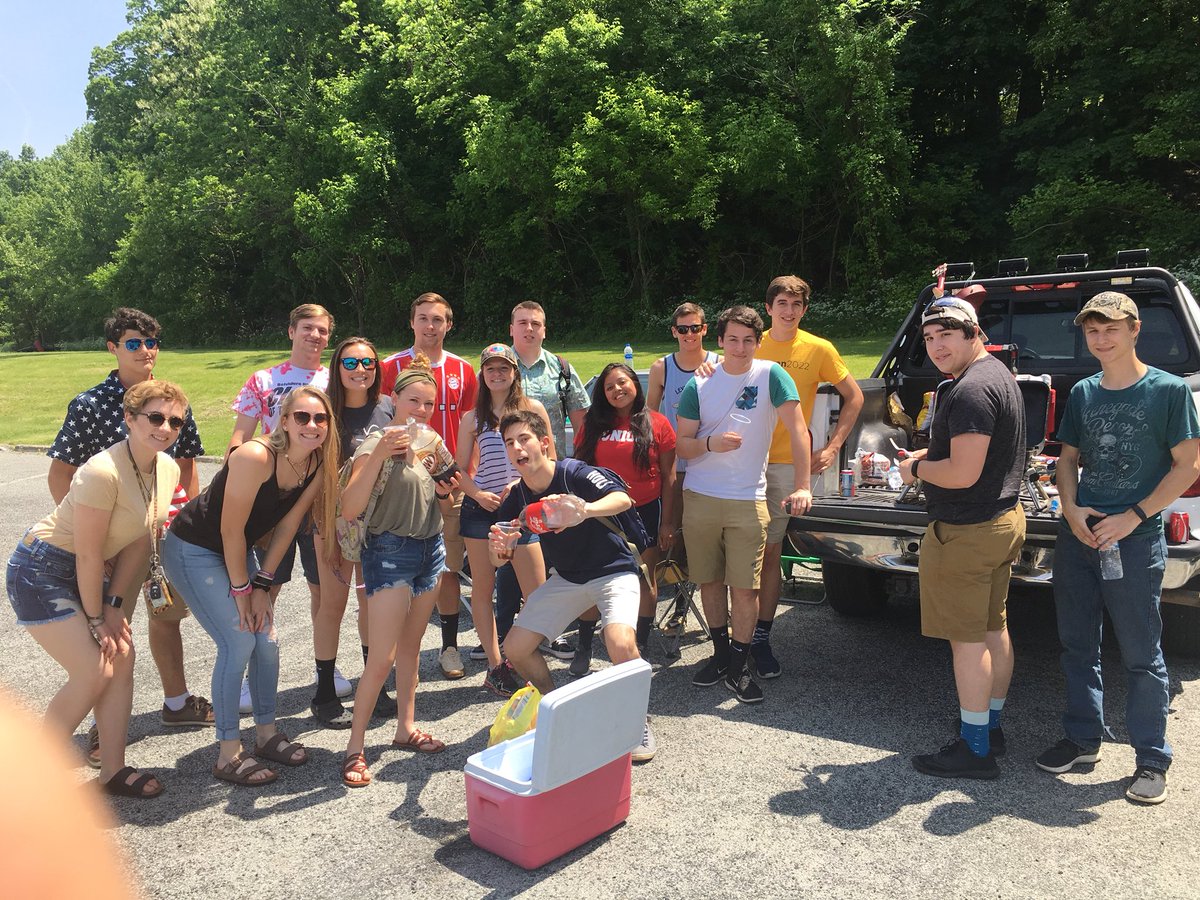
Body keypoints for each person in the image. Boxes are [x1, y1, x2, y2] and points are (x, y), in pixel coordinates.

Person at [1036, 291, 1200, 804]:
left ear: (1134, 329)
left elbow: (1188, 466)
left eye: (1110, 328)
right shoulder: (1084, 391)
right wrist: (1070, 508)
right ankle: (1083, 739)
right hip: (1081, 535)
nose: (1100, 338)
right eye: (1091, 330)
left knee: (1139, 653)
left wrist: (1133, 517)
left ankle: (1152, 759)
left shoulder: (1169, 391)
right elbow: (1067, 460)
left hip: (1133, 540)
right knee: (1077, 644)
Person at [9, 379, 192, 798]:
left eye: (175, 421)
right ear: (129, 418)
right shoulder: (101, 471)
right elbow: (88, 555)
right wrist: (96, 617)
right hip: (43, 569)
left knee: (121, 656)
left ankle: (112, 770)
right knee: (94, 668)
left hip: (93, 574)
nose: (165, 428)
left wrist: (113, 608)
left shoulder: (165, 468)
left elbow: (143, 538)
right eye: (155, 417)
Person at [45, 308, 211, 766]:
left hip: (158, 531)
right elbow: (62, 474)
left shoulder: (172, 401)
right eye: (134, 342)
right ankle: (105, 728)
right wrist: (93, 545)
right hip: (108, 541)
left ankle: (176, 704)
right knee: (113, 633)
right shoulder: (91, 405)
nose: (146, 350)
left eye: (152, 341)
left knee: (167, 615)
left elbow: (189, 465)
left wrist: (182, 524)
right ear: (113, 348)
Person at [164, 386, 337, 786]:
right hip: (194, 548)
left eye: (320, 419)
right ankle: (228, 753)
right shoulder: (255, 456)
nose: (312, 425)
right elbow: (229, 529)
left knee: (267, 638)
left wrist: (262, 585)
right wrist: (243, 591)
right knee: (239, 639)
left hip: (237, 551)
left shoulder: (317, 463)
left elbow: (288, 527)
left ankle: (265, 734)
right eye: (302, 417)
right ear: (284, 421)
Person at [898, 295, 1026, 780]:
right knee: (994, 628)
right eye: (929, 337)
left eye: (947, 334)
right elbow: (972, 454)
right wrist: (932, 455)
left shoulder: (971, 389)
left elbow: (964, 472)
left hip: (969, 529)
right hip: (999, 520)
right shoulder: (994, 375)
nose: (936, 345)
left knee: (967, 641)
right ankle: (989, 727)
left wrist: (915, 470)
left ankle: (975, 750)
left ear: (974, 333)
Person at [489, 410, 657, 762]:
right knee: (516, 648)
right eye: (509, 442)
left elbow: (622, 499)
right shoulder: (517, 497)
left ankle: (637, 718)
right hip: (567, 578)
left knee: (619, 641)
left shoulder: (572, 472)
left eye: (524, 439)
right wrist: (499, 550)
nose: (517, 447)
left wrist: (585, 510)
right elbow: (499, 556)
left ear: (544, 443)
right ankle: (554, 705)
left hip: (614, 571)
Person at [675, 305, 811, 704]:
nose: (740, 347)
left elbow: (799, 431)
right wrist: (709, 445)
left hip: (748, 498)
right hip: (700, 496)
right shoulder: (697, 385)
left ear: (758, 341)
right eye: (732, 339)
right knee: (709, 581)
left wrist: (804, 485)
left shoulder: (771, 375)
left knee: (746, 589)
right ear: (719, 341)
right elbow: (682, 445)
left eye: (748, 340)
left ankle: (739, 665)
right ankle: (720, 657)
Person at [340, 356, 459, 787]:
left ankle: (405, 729)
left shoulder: (430, 442)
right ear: (394, 400)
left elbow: (444, 504)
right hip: (389, 551)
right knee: (382, 657)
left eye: (429, 403)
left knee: (410, 648)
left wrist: (448, 495)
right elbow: (350, 508)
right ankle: (355, 748)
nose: (422, 410)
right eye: (414, 401)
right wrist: (379, 455)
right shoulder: (373, 445)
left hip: (430, 549)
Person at [228, 303, 339, 703]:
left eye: (323, 331)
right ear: (291, 331)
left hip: (319, 497)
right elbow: (240, 437)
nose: (315, 336)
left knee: (321, 587)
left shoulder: (335, 378)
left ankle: (324, 664)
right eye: (307, 328)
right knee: (266, 587)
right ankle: (250, 676)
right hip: (271, 499)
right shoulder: (263, 379)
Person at [754, 276, 864, 677]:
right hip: (743, 464)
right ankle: (737, 634)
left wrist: (833, 447)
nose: (788, 310)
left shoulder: (819, 348)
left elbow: (855, 397)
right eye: (781, 303)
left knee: (768, 554)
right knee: (740, 551)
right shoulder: (751, 341)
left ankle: (760, 637)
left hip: (786, 466)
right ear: (768, 307)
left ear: (804, 310)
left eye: (796, 305)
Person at [379, 293, 478, 680]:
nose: (430, 326)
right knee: (398, 566)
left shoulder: (463, 370)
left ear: (448, 325)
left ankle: (450, 647)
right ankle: (393, 654)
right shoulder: (390, 367)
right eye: (423, 318)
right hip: (401, 485)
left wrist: (463, 476)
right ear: (412, 322)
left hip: (445, 482)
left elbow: (471, 424)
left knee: (446, 568)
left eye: (438, 319)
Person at [309, 336, 396, 728]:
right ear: (336, 368)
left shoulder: (389, 408)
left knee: (371, 606)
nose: (360, 370)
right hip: (331, 520)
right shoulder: (323, 412)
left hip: (378, 522)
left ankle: (373, 686)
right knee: (332, 605)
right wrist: (326, 528)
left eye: (368, 363)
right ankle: (324, 690)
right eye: (350, 363)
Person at [455, 343, 552, 695]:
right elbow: (458, 468)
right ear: (483, 374)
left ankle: (522, 652)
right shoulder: (473, 418)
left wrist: (519, 481)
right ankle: (497, 665)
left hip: (521, 509)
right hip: (481, 511)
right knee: (483, 589)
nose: (497, 375)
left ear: (515, 373)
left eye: (504, 369)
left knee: (538, 593)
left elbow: (550, 456)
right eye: (490, 369)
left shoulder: (532, 409)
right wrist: (477, 493)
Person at [574, 363, 676, 674]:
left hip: (645, 511)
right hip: (602, 513)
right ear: (602, 394)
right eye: (609, 386)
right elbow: (578, 470)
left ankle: (641, 643)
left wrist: (668, 522)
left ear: (635, 384)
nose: (617, 390)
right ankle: (584, 644)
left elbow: (670, 477)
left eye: (623, 383)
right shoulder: (592, 424)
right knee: (592, 578)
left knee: (645, 577)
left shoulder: (657, 424)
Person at [506, 299, 591, 660]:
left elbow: (582, 418)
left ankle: (547, 630)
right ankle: (506, 628)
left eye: (536, 323)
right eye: (522, 322)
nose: (529, 329)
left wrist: (577, 471)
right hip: (505, 476)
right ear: (511, 328)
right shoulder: (497, 364)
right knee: (510, 553)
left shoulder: (561, 367)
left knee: (549, 553)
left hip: (550, 476)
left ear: (545, 328)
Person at [647, 302, 719, 631]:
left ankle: (720, 609)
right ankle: (679, 606)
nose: (689, 334)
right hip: (676, 466)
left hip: (712, 464)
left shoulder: (719, 364)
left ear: (705, 329)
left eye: (695, 328)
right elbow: (649, 417)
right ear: (674, 331)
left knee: (712, 537)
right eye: (682, 329)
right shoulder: (662, 367)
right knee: (674, 536)